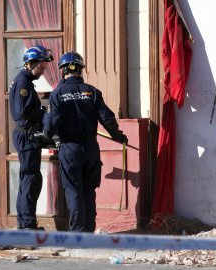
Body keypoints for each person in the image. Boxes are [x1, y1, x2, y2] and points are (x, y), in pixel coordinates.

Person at [42, 51, 128, 232]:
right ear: (81, 70)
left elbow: (50, 127)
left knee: (74, 191)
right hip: (91, 148)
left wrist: (47, 134)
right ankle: (89, 230)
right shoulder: (92, 92)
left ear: (62, 70)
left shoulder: (58, 94)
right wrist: (119, 136)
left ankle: (78, 234)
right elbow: (108, 119)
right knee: (89, 190)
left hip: (70, 149)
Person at [9, 44, 53, 230]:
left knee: (28, 178)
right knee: (31, 179)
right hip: (26, 136)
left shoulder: (25, 81)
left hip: (26, 135)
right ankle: (27, 224)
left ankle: (23, 222)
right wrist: (44, 113)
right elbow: (24, 111)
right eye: (41, 67)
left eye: (44, 68)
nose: (43, 71)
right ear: (29, 63)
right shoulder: (23, 83)